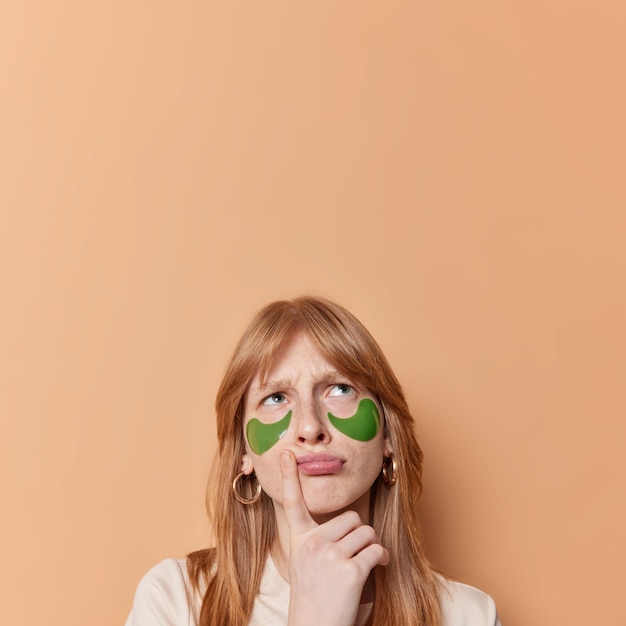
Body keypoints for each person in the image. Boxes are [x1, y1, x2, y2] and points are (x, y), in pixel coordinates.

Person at [126, 296, 501, 626]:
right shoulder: (176, 603)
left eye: (340, 389)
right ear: (244, 453)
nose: (310, 426)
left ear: (388, 435)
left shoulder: (469, 617)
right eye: (275, 397)